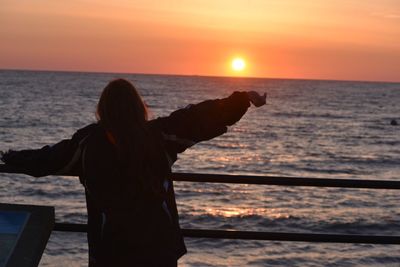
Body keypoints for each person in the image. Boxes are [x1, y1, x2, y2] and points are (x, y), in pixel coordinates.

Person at [0, 79, 266, 266]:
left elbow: (48, 158)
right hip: (158, 248)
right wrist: (242, 100)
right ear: (139, 107)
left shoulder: (89, 142)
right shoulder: (160, 136)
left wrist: (11, 157)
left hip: (113, 249)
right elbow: (197, 117)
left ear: (102, 109)